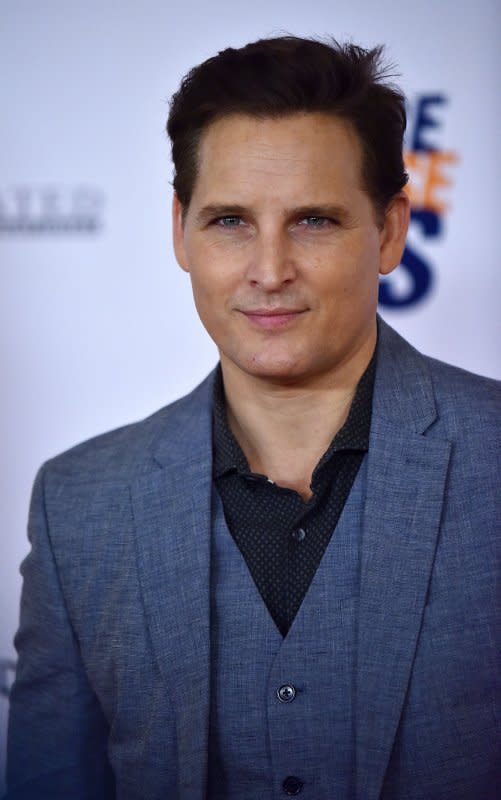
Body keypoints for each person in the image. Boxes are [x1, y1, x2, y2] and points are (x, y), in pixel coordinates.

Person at [5, 36, 500, 800]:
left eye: (312, 221)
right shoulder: (79, 506)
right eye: (230, 221)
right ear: (180, 231)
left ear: (391, 230)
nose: (269, 271)